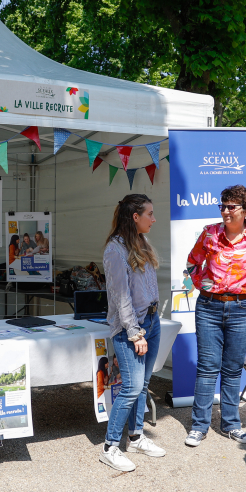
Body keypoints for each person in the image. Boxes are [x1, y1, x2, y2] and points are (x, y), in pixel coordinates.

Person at [184, 185, 246, 448]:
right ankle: (199, 426)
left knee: (232, 368)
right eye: (222, 206)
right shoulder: (210, 233)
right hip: (209, 307)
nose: (225, 211)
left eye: (231, 206)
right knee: (207, 367)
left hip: (243, 308)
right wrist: (202, 284)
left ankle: (231, 424)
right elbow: (193, 262)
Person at [99, 193, 166, 472]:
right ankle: (110, 447)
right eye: (149, 213)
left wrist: (151, 321)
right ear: (135, 217)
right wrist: (135, 333)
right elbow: (121, 297)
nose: (154, 218)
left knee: (143, 384)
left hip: (151, 322)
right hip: (131, 328)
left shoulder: (142, 240)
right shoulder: (115, 250)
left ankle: (136, 437)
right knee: (131, 388)